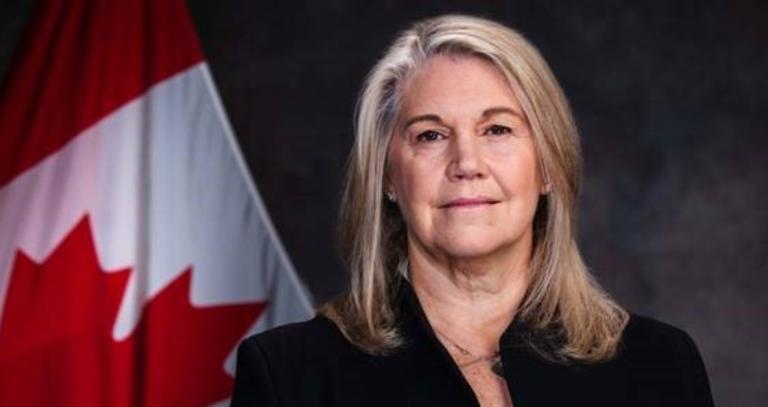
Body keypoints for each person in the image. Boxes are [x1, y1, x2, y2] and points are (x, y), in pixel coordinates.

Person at [230, 14, 714, 407]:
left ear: (548, 166)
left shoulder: (660, 366)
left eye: (497, 130)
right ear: (388, 177)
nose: (466, 163)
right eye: (431, 135)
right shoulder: (289, 376)